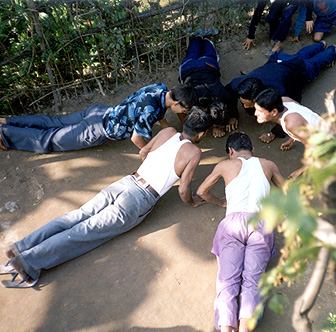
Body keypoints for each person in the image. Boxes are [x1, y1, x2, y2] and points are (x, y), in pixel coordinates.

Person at [0, 107, 213, 288]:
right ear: (201, 134)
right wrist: (192, 202)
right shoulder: (194, 153)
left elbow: (143, 152)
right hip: (139, 199)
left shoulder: (168, 132)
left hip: (126, 182)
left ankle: (21, 246)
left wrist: (151, 168)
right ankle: (28, 262)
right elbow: (183, 190)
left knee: (75, 217)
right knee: (84, 232)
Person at [196, 132, 284, 332]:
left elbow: (201, 191)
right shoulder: (268, 164)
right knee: (252, 284)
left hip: (232, 225)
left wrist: (220, 202)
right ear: (253, 150)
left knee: (227, 283)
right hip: (260, 224)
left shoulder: (225, 165)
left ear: (230, 152)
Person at [0, 83, 198, 153]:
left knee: (54, 122)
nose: (183, 113)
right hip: (96, 130)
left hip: (99, 111)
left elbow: (160, 113)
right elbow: (137, 139)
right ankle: (5, 133)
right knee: (49, 140)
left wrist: (165, 128)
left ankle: (6, 121)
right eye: (184, 109)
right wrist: (150, 152)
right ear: (177, 104)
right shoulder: (148, 111)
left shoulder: (160, 88)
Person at [226, 41, 336, 143]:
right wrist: (233, 115)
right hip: (278, 60)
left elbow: (294, 101)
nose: (245, 106)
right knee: (299, 56)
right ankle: (321, 44)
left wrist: (275, 133)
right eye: (243, 103)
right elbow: (227, 93)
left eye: (248, 104)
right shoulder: (238, 85)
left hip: (295, 69)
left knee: (314, 64)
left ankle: (332, 49)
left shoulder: (278, 92)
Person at [254, 87, 323, 178]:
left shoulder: (291, 124)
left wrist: (303, 170)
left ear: (274, 112)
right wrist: (292, 139)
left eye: (260, 111)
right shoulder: (284, 100)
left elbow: (312, 147)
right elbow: (302, 119)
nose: (255, 114)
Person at [179, 36, 238, 138]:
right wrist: (221, 123)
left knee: (208, 54)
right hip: (188, 69)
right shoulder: (194, 102)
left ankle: (201, 39)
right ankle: (202, 40)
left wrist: (233, 116)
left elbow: (232, 97)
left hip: (206, 65)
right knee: (193, 54)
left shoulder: (222, 95)